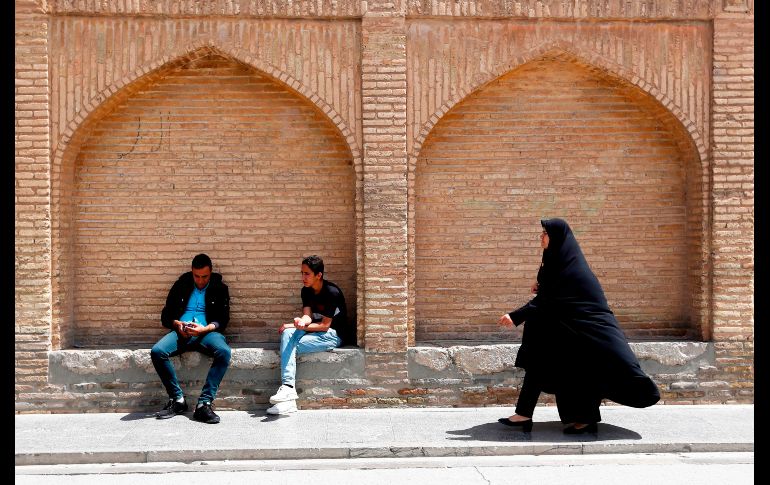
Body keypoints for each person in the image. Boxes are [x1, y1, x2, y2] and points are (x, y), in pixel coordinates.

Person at [501, 218, 660, 434]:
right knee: (538, 362)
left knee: (584, 371)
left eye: (545, 233)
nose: (541, 236)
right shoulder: (555, 260)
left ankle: (585, 419)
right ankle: (524, 414)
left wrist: (515, 316)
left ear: (556, 238)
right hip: (563, 328)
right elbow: (550, 292)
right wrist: (540, 286)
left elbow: (549, 299)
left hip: (589, 332)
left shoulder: (571, 269)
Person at [266, 254, 354, 415]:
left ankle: (288, 394)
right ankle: (288, 391)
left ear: (318, 275)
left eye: (307, 274)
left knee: (288, 345)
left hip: (334, 334)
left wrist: (293, 325)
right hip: (315, 331)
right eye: (301, 273)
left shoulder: (332, 292)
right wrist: (299, 322)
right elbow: (308, 317)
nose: (303, 277)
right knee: (287, 335)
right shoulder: (306, 291)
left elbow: (324, 326)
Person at [151, 253, 231, 424]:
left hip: (206, 333)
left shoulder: (220, 288)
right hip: (183, 332)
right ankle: (178, 400)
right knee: (157, 351)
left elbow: (223, 319)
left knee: (224, 351)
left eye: (205, 276)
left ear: (211, 272)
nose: (200, 281)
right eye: (197, 276)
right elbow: (165, 316)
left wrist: (204, 329)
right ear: (191, 272)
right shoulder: (181, 285)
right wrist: (177, 324)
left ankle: (204, 404)